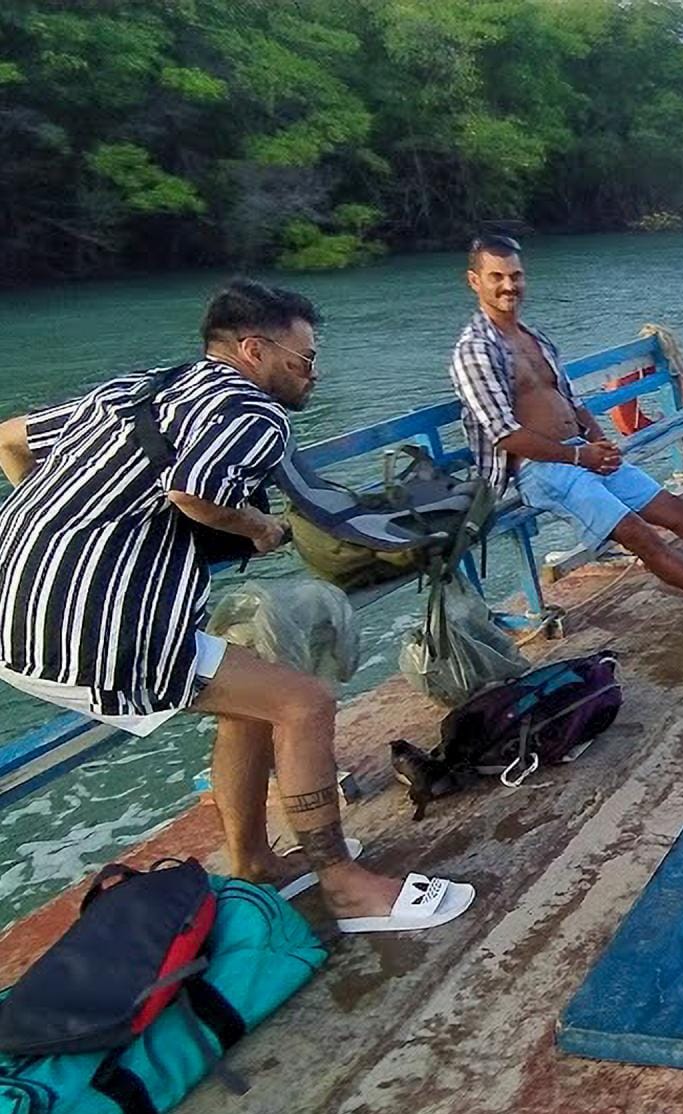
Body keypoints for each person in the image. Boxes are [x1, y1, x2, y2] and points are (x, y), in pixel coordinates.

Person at [0, 280, 472, 932]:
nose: (313, 373)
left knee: (253, 698)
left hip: (17, 619)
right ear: (254, 350)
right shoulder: (254, 412)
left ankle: (252, 863)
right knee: (305, 703)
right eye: (304, 359)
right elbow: (193, 492)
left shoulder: (133, 390)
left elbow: (9, 439)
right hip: (99, 630)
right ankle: (346, 889)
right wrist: (259, 527)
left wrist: (70, 530)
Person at [450, 234, 683, 631]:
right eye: (496, 276)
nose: (509, 285)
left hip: (579, 451)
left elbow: (570, 400)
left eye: (516, 275)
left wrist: (598, 441)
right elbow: (505, 434)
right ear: (474, 281)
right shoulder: (475, 350)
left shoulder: (533, 337)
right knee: (638, 533)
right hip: (540, 470)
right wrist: (580, 457)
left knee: (676, 511)